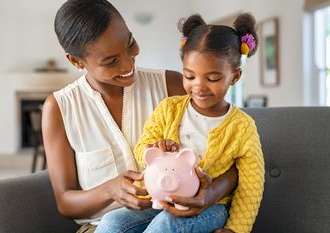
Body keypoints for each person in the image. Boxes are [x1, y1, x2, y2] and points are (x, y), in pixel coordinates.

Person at [42, 1, 238, 232]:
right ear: (76, 61)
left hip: (174, 218)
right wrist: (109, 190)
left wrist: (210, 194)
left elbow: (234, 156)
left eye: (130, 44)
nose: (128, 63)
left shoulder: (172, 85)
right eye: (112, 61)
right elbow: (65, 202)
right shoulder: (60, 108)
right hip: (101, 227)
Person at [97, 13, 265, 233]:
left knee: (165, 226)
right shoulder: (169, 108)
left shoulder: (242, 127)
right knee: (112, 222)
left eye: (212, 79)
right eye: (190, 76)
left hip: (211, 207)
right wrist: (154, 148)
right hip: (161, 198)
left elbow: (251, 184)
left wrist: (236, 229)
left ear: (234, 77)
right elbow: (142, 148)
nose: (199, 86)